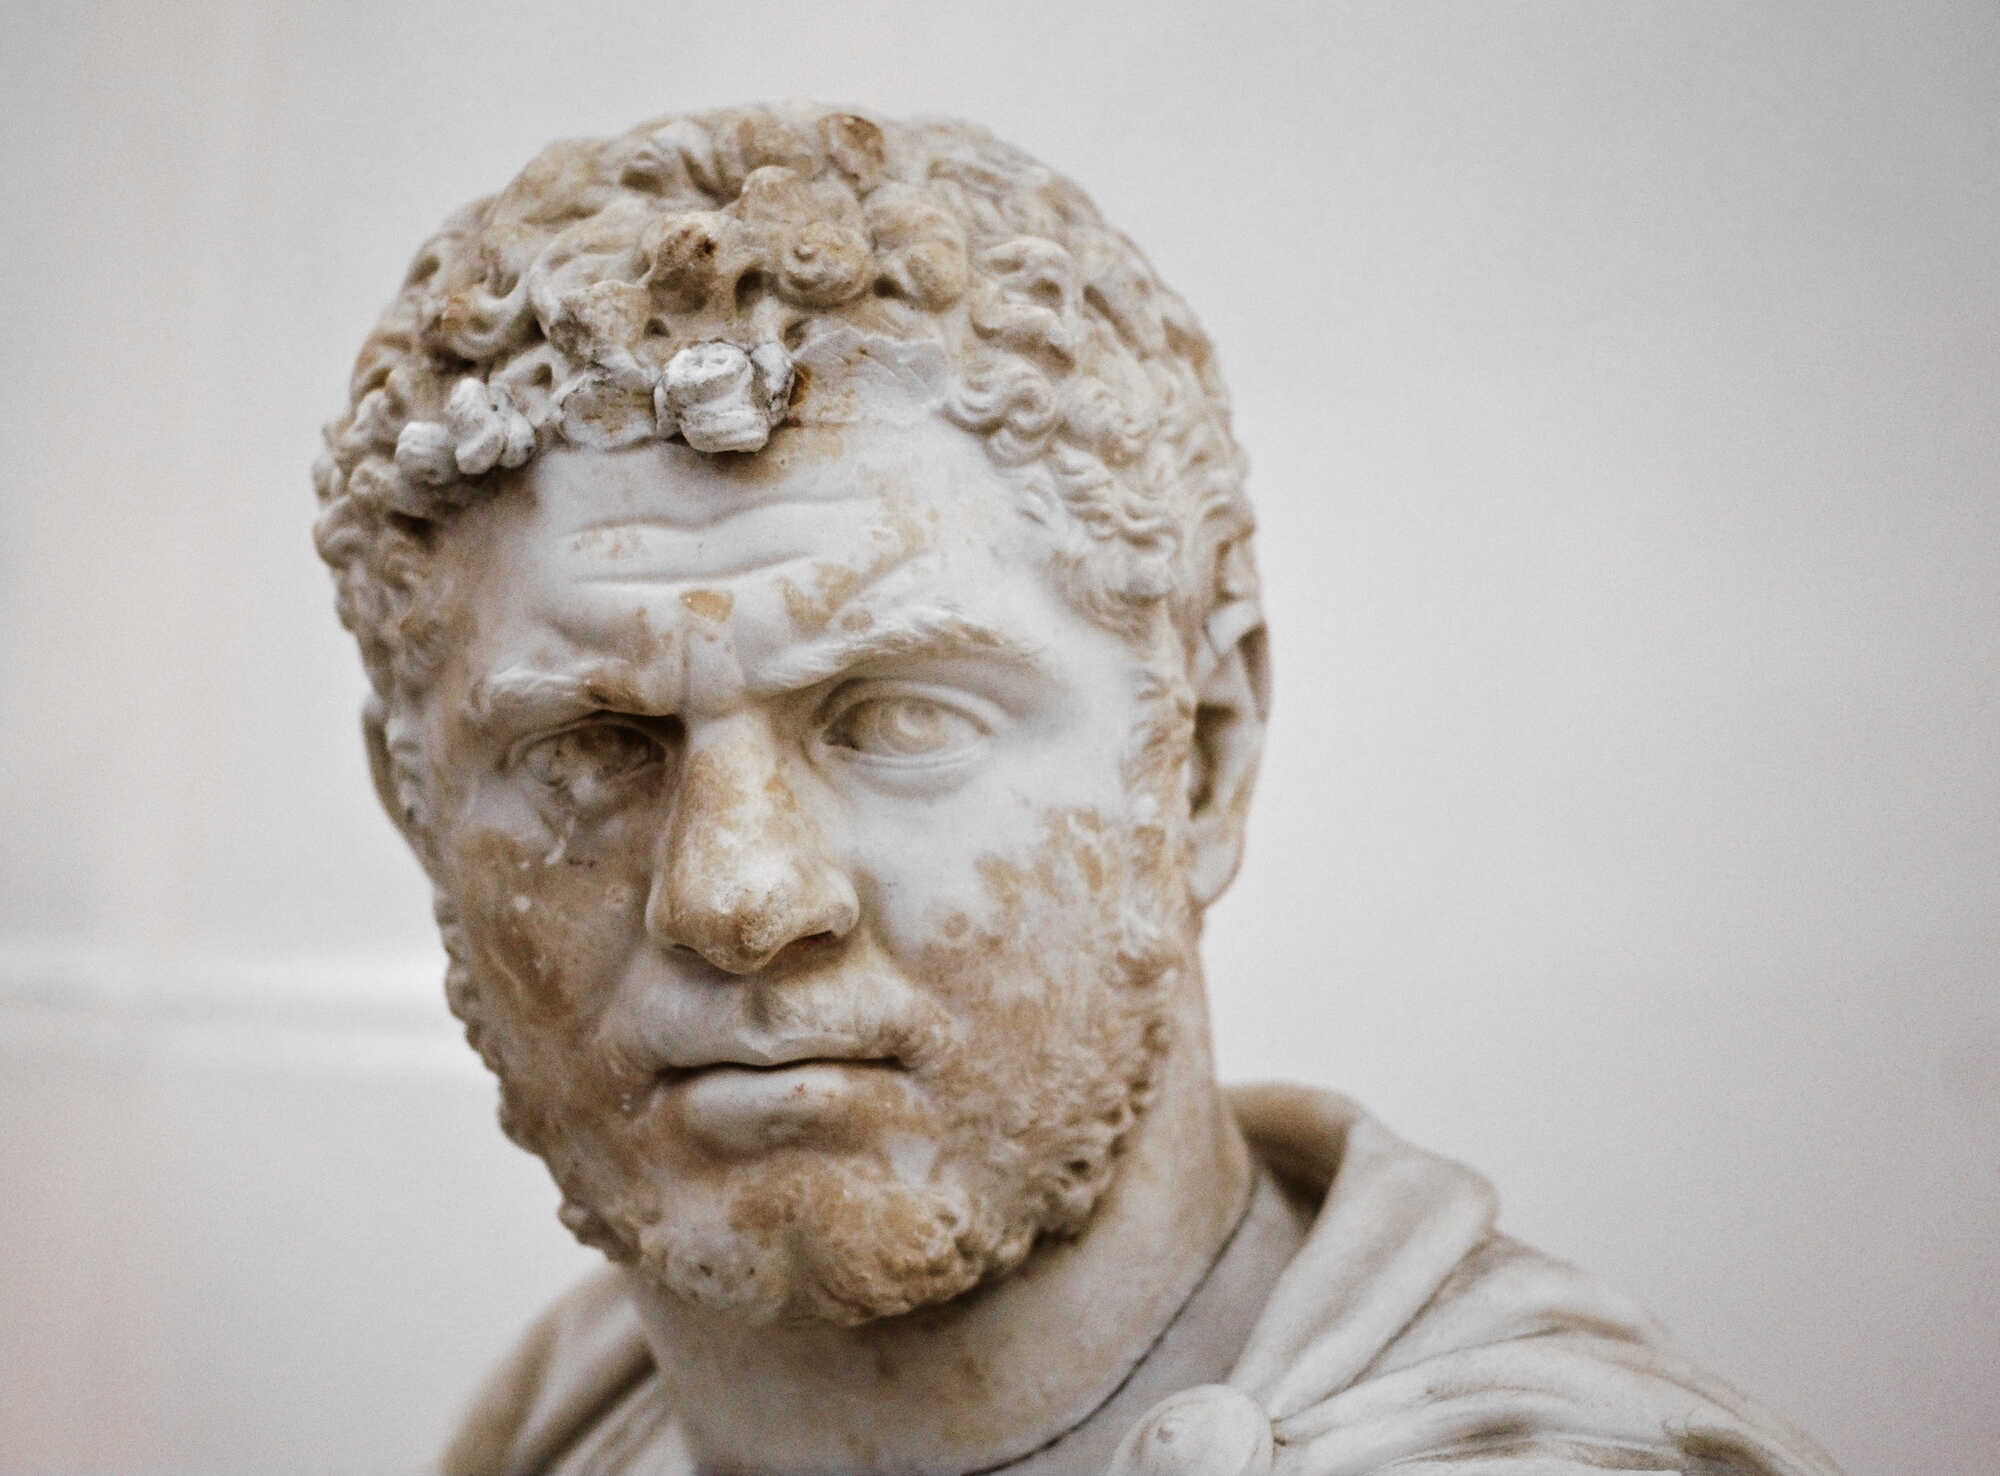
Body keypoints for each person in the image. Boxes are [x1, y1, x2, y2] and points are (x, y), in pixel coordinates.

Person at [311, 102, 1842, 1476]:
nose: (737, 894)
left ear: (1202, 759)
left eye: (898, 719)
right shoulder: (562, 1422)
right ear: (418, 812)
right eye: (590, 750)